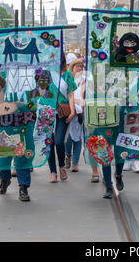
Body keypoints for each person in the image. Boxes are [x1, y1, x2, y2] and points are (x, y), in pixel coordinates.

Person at [0, 72, 33, 201]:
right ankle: (4, 179)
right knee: (3, 155)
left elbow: (35, 104)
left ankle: (23, 187)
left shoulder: (29, 82)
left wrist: (23, 105)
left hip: (22, 126)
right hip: (5, 125)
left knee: (22, 155)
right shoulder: (0, 83)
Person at [48, 53, 77, 183]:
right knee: (48, 142)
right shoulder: (46, 73)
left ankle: (61, 166)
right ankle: (52, 171)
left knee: (59, 141)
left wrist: (72, 111)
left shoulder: (67, 74)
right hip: (47, 111)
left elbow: (70, 95)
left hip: (63, 111)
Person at [65, 58, 88, 174]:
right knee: (68, 137)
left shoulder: (84, 80)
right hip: (68, 111)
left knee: (78, 138)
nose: (79, 69)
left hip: (80, 112)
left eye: (81, 67)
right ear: (72, 67)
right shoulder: (67, 78)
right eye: (77, 66)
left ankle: (75, 162)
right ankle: (68, 155)